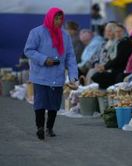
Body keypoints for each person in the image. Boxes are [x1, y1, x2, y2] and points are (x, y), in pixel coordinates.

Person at [24, 8, 78, 140]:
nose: (59, 21)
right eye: (56, 18)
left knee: (54, 104)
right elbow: (29, 50)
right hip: (40, 75)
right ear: (49, 18)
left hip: (57, 76)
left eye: (61, 19)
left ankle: (49, 127)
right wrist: (44, 59)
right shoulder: (37, 32)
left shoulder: (65, 36)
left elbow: (71, 57)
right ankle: (40, 128)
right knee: (40, 103)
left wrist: (73, 77)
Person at [91, 24, 132, 89]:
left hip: (121, 70)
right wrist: (98, 65)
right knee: (96, 75)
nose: (118, 34)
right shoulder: (118, 43)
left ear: (124, 32)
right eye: (116, 32)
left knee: (97, 76)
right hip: (112, 68)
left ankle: (106, 94)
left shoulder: (125, 42)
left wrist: (104, 67)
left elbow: (118, 59)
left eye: (120, 31)